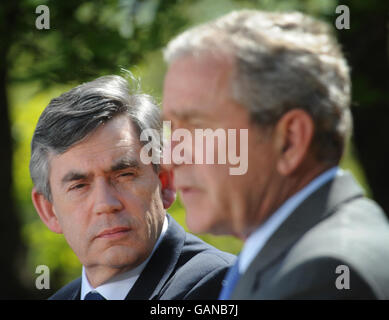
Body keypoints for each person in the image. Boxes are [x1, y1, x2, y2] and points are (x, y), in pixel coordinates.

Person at [162, 10, 389, 299]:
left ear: (290, 141)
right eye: (170, 128)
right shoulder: (299, 253)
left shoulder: (319, 277)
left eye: (196, 126)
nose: (170, 157)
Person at [29, 74, 235, 300]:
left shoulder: (225, 287)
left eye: (124, 175)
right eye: (79, 186)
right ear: (49, 210)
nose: (106, 204)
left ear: (165, 184)